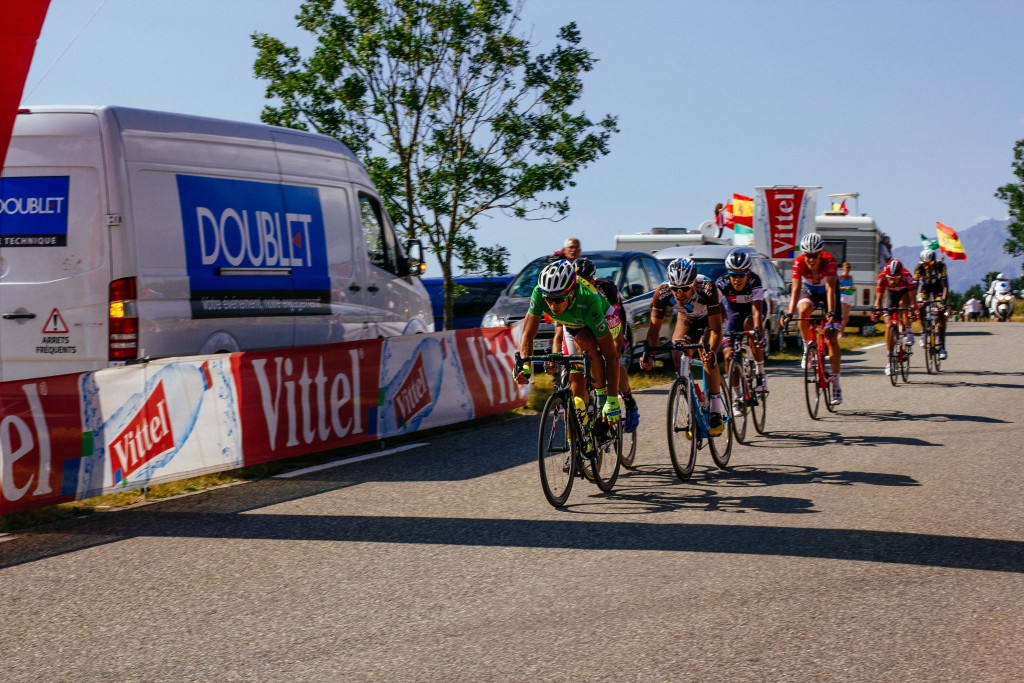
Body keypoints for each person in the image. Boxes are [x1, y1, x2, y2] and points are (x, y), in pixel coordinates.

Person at [515, 260, 622, 454]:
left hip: (604, 318)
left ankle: (601, 395)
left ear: (571, 292)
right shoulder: (540, 293)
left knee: (586, 342)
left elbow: (611, 356)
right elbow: (527, 335)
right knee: (575, 385)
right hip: (572, 325)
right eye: (549, 299)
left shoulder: (588, 299)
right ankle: (579, 444)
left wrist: (612, 399)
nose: (552, 305)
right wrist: (525, 366)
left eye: (558, 299)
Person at [640, 258, 726, 436]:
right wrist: (649, 355)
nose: (679, 293)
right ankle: (692, 402)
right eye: (675, 288)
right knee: (677, 352)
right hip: (687, 319)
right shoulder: (662, 292)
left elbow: (716, 329)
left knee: (707, 355)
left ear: (694, 283)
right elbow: (654, 328)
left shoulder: (708, 287)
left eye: (685, 288)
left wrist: (712, 352)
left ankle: (716, 409)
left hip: (711, 319)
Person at [559, 257, 641, 433]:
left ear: (592, 280)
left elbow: (614, 326)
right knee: (574, 373)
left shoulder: (605, 290)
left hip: (609, 321)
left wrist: (612, 354)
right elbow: (561, 328)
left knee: (613, 360)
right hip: (581, 327)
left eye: (585, 280)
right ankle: (581, 439)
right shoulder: (566, 294)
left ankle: (628, 399)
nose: (580, 284)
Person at [781, 233, 844, 405]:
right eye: (808, 255)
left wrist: (831, 313)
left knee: (831, 338)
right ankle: (807, 346)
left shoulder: (829, 261)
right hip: (810, 292)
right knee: (803, 312)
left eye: (814, 255)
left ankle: (836, 384)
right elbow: (795, 290)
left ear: (820, 254)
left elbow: (831, 289)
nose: (811, 259)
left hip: (828, 293)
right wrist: (789, 313)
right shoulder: (799, 263)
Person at [714, 249, 767, 392]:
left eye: (741, 275)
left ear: (748, 273)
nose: (737, 279)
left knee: (751, 326)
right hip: (734, 314)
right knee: (728, 355)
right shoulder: (722, 283)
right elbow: (714, 310)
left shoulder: (754, 281)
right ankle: (737, 396)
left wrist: (759, 334)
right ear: (728, 274)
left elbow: (756, 311)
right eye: (733, 275)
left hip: (753, 312)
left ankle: (760, 373)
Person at [872, 258, 916, 375]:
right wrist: (877, 311)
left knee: (903, 305)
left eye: (895, 278)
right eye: (890, 278)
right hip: (891, 295)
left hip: (904, 293)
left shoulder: (907, 277)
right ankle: (890, 361)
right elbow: (879, 300)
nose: (892, 281)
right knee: (888, 325)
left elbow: (913, 300)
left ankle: (908, 330)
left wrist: (913, 310)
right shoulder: (882, 278)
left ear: (900, 275)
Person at [913, 249, 949, 360]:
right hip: (925, 288)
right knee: (920, 305)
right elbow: (915, 287)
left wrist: (942, 301)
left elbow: (945, 287)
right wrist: (914, 302)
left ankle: (942, 346)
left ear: (934, 261)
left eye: (929, 263)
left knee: (941, 313)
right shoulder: (919, 268)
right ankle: (924, 333)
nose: (927, 266)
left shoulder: (941, 266)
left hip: (938, 287)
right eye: (925, 263)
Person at [838, 261, 855, 338]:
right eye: (846, 267)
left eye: (849, 267)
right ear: (843, 268)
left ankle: (841, 332)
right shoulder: (840, 277)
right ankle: (840, 333)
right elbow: (837, 287)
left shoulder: (851, 277)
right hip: (843, 296)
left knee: (847, 317)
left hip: (849, 296)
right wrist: (845, 288)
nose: (847, 269)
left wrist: (853, 288)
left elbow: (852, 286)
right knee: (844, 317)